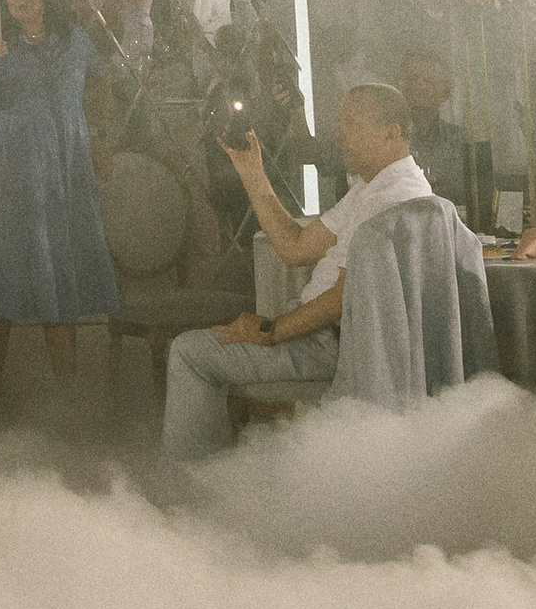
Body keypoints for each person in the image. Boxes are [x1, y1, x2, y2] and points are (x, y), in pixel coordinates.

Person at [160, 79, 428, 458]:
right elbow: (295, 248)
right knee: (205, 346)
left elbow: (342, 299)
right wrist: (252, 172)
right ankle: (225, 482)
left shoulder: (391, 198)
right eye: (338, 123)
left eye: (350, 124)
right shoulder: (376, 189)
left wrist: (271, 330)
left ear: (392, 132)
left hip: (330, 343)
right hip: (319, 335)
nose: (338, 134)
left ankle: (189, 491)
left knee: (189, 352)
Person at [0, 0, 118, 406]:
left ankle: (67, 397)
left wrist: (95, 132)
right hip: (3, 168)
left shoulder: (74, 38)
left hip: (61, 166)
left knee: (56, 269)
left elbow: (101, 84)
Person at [397, 49, 473, 212]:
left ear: (445, 92)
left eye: (428, 81)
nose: (418, 87)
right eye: (412, 80)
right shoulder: (384, 139)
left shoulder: (461, 141)